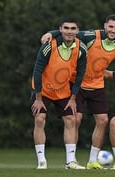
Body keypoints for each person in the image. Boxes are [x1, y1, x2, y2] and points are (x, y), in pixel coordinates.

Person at [41, 15, 115, 169]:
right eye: (110, 27)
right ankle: (71, 160)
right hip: (77, 83)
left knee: (103, 120)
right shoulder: (91, 36)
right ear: (105, 26)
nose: (113, 30)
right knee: (76, 120)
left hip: (97, 85)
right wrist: (52, 33)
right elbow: (70, 33)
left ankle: (92, 161)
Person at [31, 18, 87, 169]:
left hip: (63, 91)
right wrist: (38, 98)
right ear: (60, 29)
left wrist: (73, 98)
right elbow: (37, 71)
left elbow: (80, 75)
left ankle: (70, 162)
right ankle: (42, 162)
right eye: (66, 28)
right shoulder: (49, 45)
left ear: (77, 31)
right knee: (40, 118)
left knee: (71, 119)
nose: (69, 31)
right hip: (42, 90)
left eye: (73, 28)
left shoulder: (81, 49)